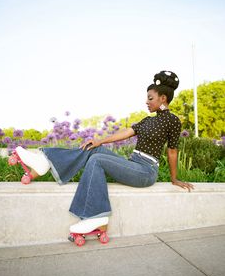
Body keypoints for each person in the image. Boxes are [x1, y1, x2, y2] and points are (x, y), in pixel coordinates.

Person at [15, 70, 194, 235]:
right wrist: (99, 140)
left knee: (98, 160)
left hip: (146, 172)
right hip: (133, 164)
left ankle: (96, 217)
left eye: (150, 98)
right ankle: (45, 162)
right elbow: (125, 133)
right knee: (95, 149)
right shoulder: (147, 120)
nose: (146, 102)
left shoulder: (173, 121)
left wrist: (174, 179)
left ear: (163, 98)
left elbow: (172, 151)